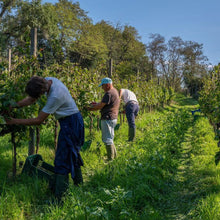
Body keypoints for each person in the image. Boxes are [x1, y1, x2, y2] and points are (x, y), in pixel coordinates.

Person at [5, 76, 84, 200]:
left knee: (62, 159)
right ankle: (79, 185)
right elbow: (31, 99)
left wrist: (14, 121)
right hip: (71, 121)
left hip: (71, 124)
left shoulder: (55, 96)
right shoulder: (47, 80)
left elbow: (38, 120)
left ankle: (60, 198)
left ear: (42, 90)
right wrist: (14, 105)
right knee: (72, 154)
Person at [87, 77, 120, 161]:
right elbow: (103, 104)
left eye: (103, 86)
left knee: (107, 139)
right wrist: (96, 104)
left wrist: (90, 108)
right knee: (110, 138)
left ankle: (110, 159)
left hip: (107, 118)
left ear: (108, 85)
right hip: (113, 117)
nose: (102, 88)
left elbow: (101, 106)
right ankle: (114, 156)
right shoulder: (115, 91)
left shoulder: (108, 93)